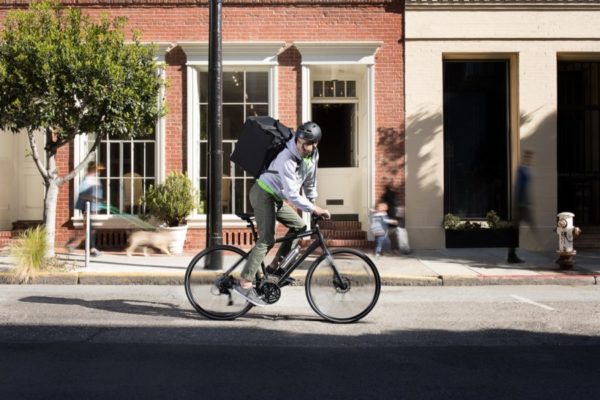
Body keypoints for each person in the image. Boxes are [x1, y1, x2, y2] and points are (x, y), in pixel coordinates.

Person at [234, 121, 331, 306]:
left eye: (307, 144)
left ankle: (273, 270)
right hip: (263, 193)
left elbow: (310, 181)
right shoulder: (286, 157)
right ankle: (244, 282)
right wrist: (315, 209)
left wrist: (313, 202)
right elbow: (292, 196)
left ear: (315, 144)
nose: (302, 146)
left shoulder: (313, 156)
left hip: (276, 197)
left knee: (300, 226)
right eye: (300, 141)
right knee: (267, 239)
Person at [67, 162, 105, 256]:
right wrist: (96, 200)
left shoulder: (94, 179)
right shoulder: (87, 180)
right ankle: (75, 245)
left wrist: (99, 203)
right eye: (96, 169)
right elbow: (83, 195)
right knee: (88, 229)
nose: (98, 171)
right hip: (87, 208)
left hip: (92, 208)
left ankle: (90, 248)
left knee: (90, 229)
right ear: (92, 169)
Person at [507, 150, 534, 263]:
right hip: (521, 205)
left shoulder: (525, 170)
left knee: (517, 229)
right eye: (528, 157)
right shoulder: (522, 170)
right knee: (517, 229)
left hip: (523, 204)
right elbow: (519, 188)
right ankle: (511, 254)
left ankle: (511, 254)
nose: (529, 159)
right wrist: (521, 203)